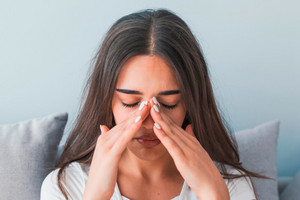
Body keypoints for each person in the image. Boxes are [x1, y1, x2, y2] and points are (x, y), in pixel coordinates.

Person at [40, 8, 271, 200]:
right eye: (130, 103)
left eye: (168, 104)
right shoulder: (64, 186)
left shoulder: (230, 186)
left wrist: (214, 194)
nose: (149, 121)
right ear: (107, 101)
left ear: (190, 104)